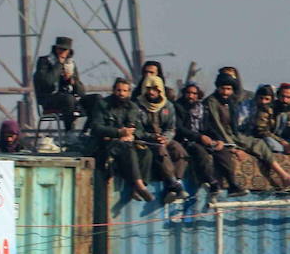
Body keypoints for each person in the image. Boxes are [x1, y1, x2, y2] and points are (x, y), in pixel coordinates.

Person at [204, 72, 290, 192]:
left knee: (258, 144)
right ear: (217, 87)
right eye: (223, 88)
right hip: (219, 136)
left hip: (234, 135)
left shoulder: (229, 102)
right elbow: (218, 126)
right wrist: (233, 147)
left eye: (228, 89)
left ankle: (283, 175)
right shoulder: (212, 102)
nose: (225, 92)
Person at [89, 77, 155, 201]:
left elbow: (140, 130)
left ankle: (138, 189)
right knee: (127, 149)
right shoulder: (103, 105)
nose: (121, 94)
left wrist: (132, 135)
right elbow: (96, 128)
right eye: (119, 90)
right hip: (107, 145)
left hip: (128, 143)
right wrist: (119, 132)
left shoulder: (133, 108)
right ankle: (140, 186)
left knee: (146, 153)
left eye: (125, 91)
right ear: (114, 90)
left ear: (129, 92)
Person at [174, 81, 242, 197]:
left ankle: (232, 184)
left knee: (222, 151)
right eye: (188, 93)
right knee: (200, 151)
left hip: (203, 139)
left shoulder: (201, 108)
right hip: (186, 140)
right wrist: (199, 137)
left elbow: (208, 127)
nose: (191, 96)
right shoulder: (178, 107)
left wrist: (219, 140)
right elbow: (179, 128)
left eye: (194, 94)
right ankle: (213, 183)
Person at [134, 74, 189, 202]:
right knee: (160, 150)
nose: (152, 92)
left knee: (179, 150)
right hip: (146, 140)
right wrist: (153, 137)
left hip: (164, 138)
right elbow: (137, 129)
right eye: (149, 89)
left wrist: (165, 138)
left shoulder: (167, 106)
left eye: (155, 89)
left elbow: (171, 128)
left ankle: (176, 183)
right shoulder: (138, 105)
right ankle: (173, 183)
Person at [33, 36, 86, 131]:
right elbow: (47, 82)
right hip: (49, 99)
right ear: (55, 49)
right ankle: (69, 132)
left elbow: (82, 92)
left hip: (71, 99)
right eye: (59, 49)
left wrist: (72, 81)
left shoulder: (71, 64)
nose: (61, 52)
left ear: (69, 51)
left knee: (96, 99)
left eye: (64, 50)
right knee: (68, 99)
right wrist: (59, 65)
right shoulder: (44, 61)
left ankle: (88, 132)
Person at [245, 84, 290, 155]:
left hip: (284, 139)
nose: (285, 100)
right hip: (268, 138)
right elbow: (261, 130)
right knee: (273, 146)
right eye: (283, 96)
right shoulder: (267, 109)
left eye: (288, 97)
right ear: (278, 96)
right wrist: (282, 142)